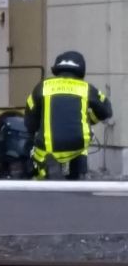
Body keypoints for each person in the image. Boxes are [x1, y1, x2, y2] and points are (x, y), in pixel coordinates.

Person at [24, 51, 113, 180]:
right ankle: (80, 172)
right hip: (78, 146)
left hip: (48, 149)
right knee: (82, 144)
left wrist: (35, 130)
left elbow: (29, 119)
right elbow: (106, 111)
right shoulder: (86, 88)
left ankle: (42, 174)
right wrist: (90, 120)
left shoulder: (42, 86)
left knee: (36, 166)